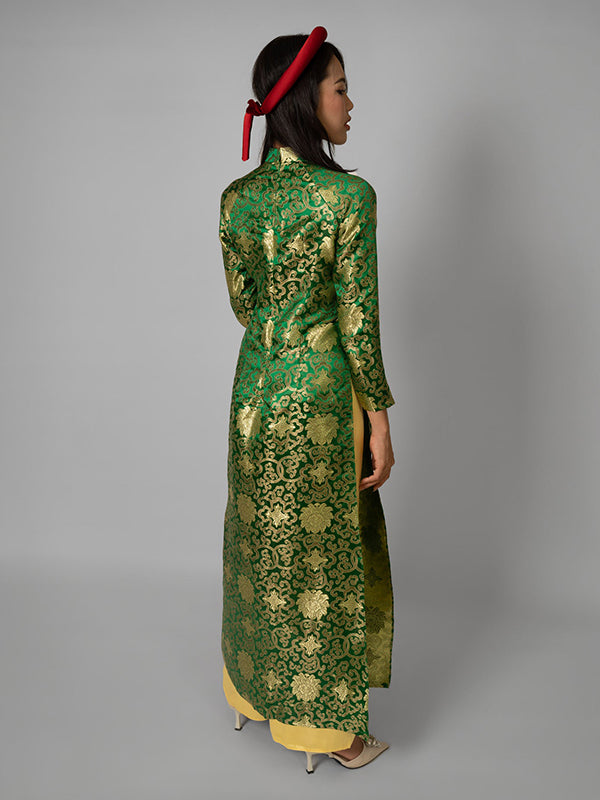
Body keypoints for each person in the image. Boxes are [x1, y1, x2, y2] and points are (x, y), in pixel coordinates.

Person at [219, 26, 396, 773]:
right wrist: (379, 420)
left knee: (260, 544)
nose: (350, 103)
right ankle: (332, 734)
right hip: (321, 400)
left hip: (253, 395)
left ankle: (249, 693)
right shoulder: (348, 198)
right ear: (304, 100)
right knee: (323, 560)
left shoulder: (236, 199)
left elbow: (244, 304)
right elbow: (359, 323)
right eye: (340, 88)